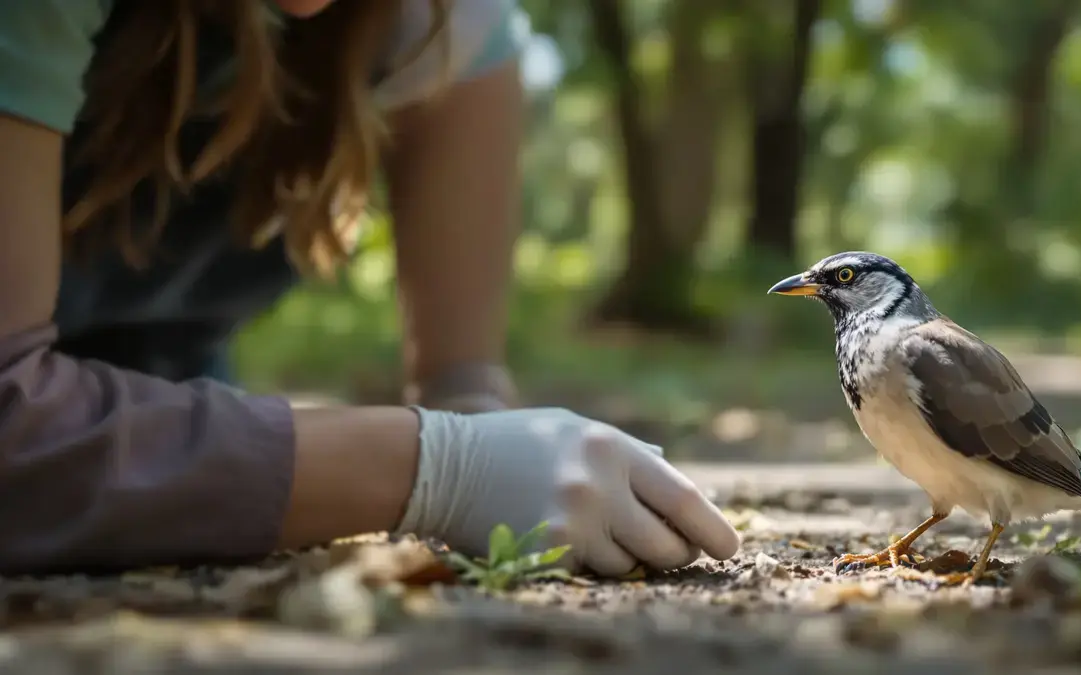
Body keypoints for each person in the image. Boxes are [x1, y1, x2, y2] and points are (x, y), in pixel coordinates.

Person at [0, 0, 740, 576]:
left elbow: (463, 383)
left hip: (159, 396)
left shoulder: (444, 28)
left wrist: (498, 444)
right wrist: (438, 467)